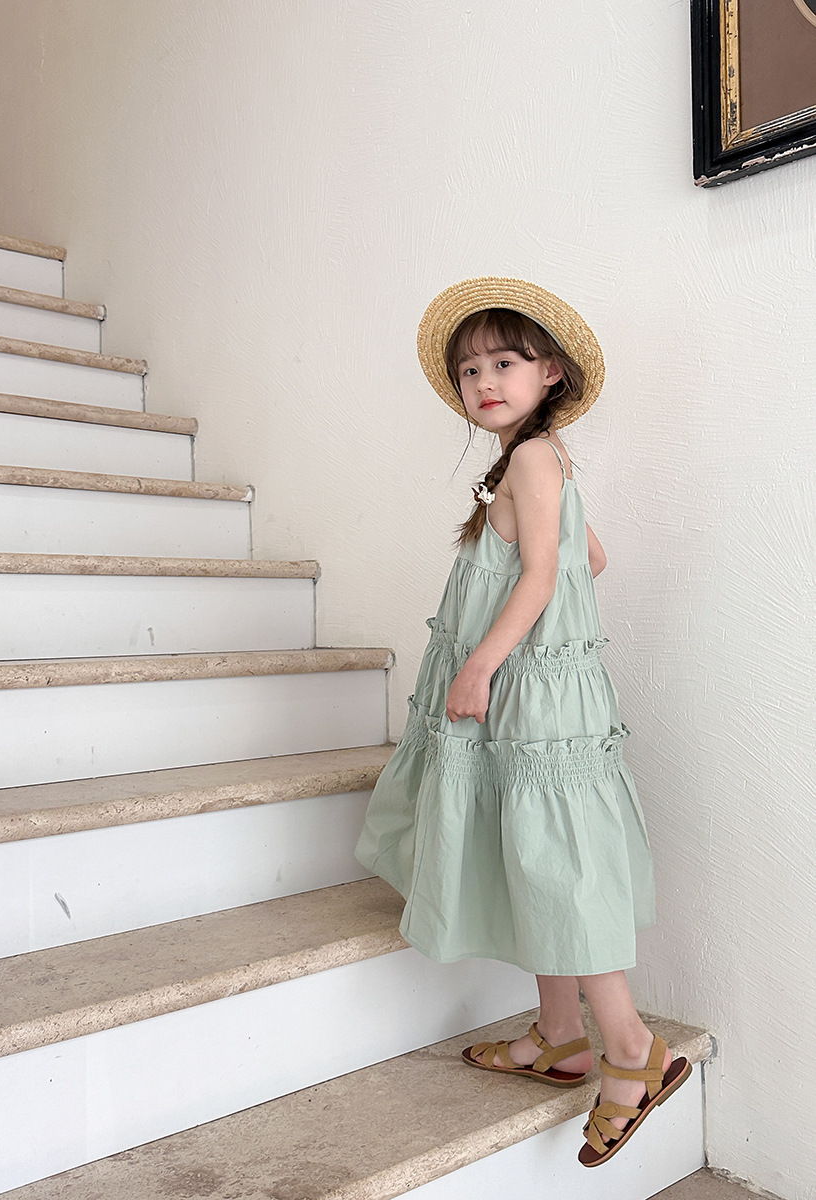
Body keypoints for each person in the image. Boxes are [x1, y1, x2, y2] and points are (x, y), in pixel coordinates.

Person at [355, 277, 690, 1167]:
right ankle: (559, 1035)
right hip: (530, 690)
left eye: (504, 362)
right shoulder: (533, 463)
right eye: (469, 370)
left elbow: (544, 575)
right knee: (531, 851)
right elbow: (588, 557)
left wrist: (481, 662)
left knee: (558, 863)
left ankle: (631, 1049)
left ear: (550, 373)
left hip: (524, 693)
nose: (483, 381)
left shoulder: (535, 458)